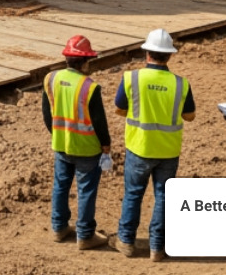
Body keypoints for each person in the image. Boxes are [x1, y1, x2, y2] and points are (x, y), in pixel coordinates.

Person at [109, 28, 194, 262]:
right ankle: (157, 247)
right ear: (169, 55)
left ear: (147, 53)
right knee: (164, 196)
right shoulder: (181, 84)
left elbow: (119, 109)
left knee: (133, 194)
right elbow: (190, 116)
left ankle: (126, 241)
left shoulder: (132, 78)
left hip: (139, 147)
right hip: (168, 149)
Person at [42, 35, 111, 251]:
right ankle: (85, 235)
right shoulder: (90, 87)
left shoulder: (50, 79)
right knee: (86, 190)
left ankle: (59, 228)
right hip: (87, 147)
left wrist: (57, 134)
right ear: (85, 61)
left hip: (61, 144)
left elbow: (47, 113)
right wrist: (106, 144)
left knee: (61, 186)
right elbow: (99, 120)